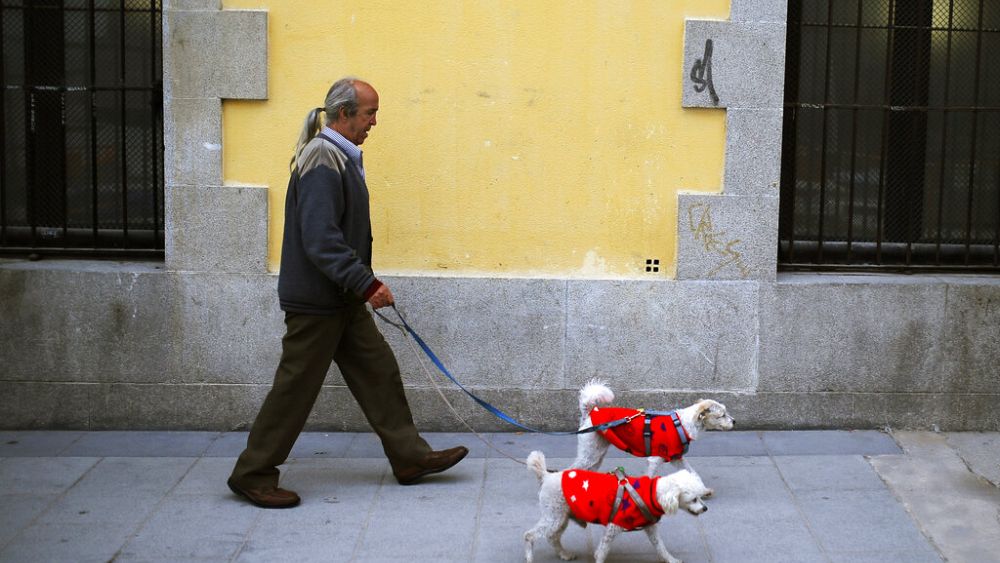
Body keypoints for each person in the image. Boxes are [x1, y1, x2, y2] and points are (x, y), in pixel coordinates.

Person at [227, 77, 468, 508]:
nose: (374, 121)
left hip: (340, 299)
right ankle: (253, 474)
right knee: (295, 390)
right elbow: (320, 238)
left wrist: (358, 287)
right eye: (369, 113)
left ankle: (410, 458)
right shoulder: (324, 157)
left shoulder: (338, 155)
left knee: (378, 371)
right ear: (344, 115)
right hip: (318, 303)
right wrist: (367, 283)